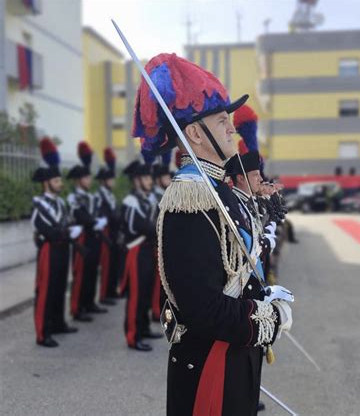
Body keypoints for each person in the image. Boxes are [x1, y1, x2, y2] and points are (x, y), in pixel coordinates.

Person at [133, 53, 293, 415]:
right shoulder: (188, 201)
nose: (231, 129)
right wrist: (267, 319)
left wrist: (265, 297)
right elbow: (202, 307)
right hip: (210, 363)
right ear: (194, 133)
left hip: (235, 355)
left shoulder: (218, 191)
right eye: (222, 121)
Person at [31, 137, 80, 347]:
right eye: (57, 180)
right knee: (46, 290)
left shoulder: (60, 202)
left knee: (60, 286)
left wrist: (69, 231)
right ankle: (43, 332)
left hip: (62, 249)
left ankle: (58, 322)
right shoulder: (39, 204)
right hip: (49, 250)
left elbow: (67, 223)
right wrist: (66, 232)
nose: (60, 183)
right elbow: (48, 231)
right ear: (46, 183)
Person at [119, 160, 163, 351]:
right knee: (136, 295)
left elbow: (156, 223)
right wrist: (152, 227)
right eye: (145, 178)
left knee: (146, 292)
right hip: (136, 251)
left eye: (150, 177)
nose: (150, 181)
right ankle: (132, 335)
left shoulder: (149, 200)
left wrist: (153, 227)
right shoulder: (130, 202)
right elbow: (133, 227)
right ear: (136, 180)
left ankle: (143, 328)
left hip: (148, 249)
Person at [67, 142, 108, 322]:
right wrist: (94, 221)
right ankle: (77, 308)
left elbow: (97, 212)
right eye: (86, 178)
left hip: (94, 237)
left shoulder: (91, 196)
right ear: (78, 180)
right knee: (81, 273)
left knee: (92, 271)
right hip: (82, 237)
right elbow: (81, 215)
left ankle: (89, 302)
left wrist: (98, 220)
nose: (89, 180)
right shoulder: (73, 197)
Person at [95, 147, 120, 305]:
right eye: (110, 179)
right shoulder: (100, 195)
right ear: (104, 181)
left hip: (114, 231)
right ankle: (104, 295)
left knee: (113, 264)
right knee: (106, 264)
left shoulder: (110, 194)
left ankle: (111, 290)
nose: (113, 182)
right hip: (105, 232)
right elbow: (103, 214)